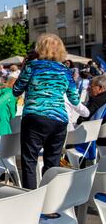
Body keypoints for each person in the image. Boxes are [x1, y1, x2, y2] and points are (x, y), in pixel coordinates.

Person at [13, 33, 81, 189]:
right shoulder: (66, 71)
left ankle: (31, 205)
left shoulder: (32, 66)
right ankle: (49, 205)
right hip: (59, 120)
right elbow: (75, 100)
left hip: (35, 118)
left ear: (39, 49)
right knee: (52, 163)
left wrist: (25, 65)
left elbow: (16, 91)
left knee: (30, 161)